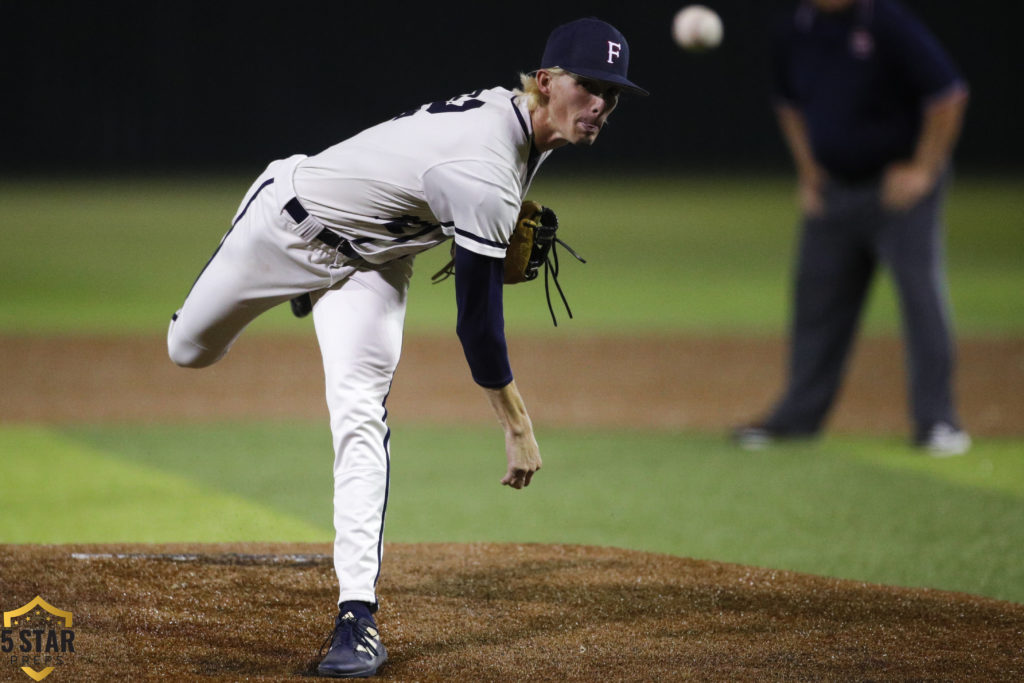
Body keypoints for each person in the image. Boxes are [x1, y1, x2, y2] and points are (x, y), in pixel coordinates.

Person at [167, 17, 646, 678]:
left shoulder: (528, 126)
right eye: (588, 86)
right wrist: (517, 424)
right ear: (545, 82)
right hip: (288, 224)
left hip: (375, 265)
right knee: (187, 349)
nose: (600, 104)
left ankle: (356, 618)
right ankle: (287, 255)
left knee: (360, 412)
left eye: (612, 94)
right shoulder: (485, 165)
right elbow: (477, 325)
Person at [733, 0, 970, 455]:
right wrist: (807, 170)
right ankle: (797, 419)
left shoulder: (886, 22)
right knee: (815, 303)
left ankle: (939, 422)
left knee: (921, 301)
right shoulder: (795, 30)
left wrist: (923, 169)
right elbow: (789, 104)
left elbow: (948, 94)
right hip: (835, 191)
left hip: (898, 192)